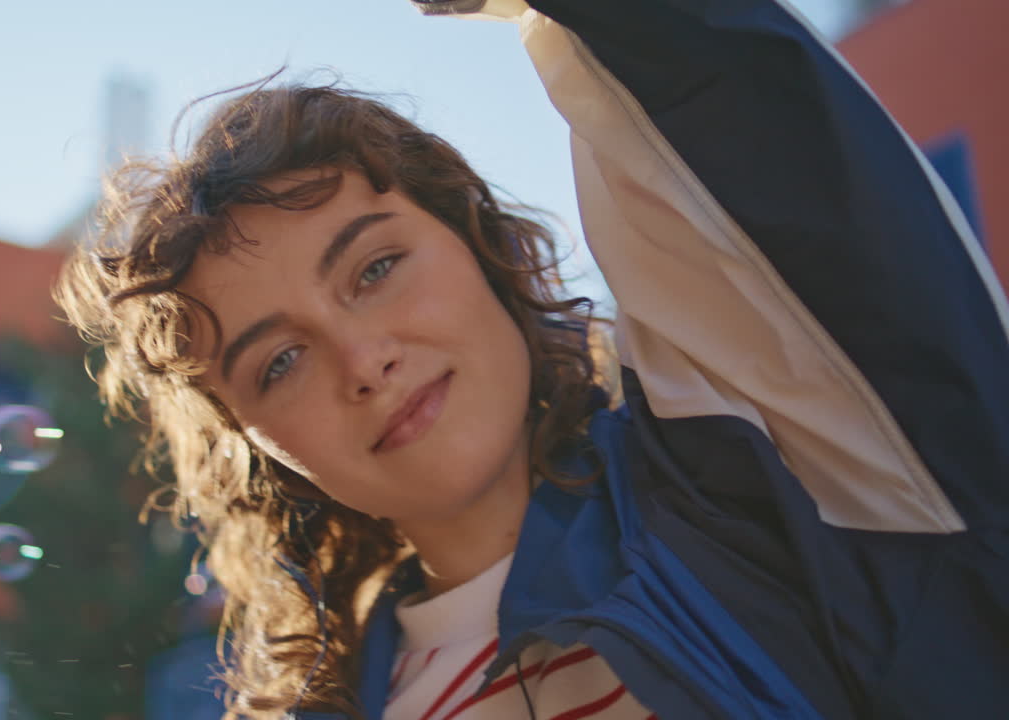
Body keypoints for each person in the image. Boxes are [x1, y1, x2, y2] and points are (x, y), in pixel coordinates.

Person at [55, 1, 1009, 718]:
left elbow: (770, 149)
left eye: (376, 267)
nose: (362, 358)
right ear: (261, 450)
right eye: (280, 363)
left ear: (487, 247)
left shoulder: (746, 495)